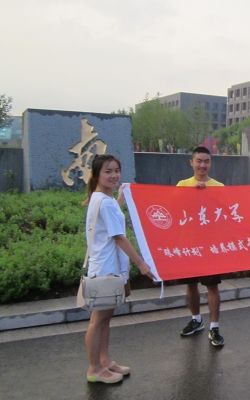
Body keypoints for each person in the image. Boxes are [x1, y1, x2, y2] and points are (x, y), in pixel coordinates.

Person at [84, 154, 154, 384]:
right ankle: (94, 368)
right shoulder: (105, 201)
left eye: (116, 170)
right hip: (106, 269)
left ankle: (105, 361)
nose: (114, 175)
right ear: (97, 175)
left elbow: (110, 221)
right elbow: (119, 237)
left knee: (105, 318)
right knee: (98, 320)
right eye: (108, 171)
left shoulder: (102, 198)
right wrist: (141, 263)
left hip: (107, 268)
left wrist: (120, 201)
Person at [176, 146, 225, 347]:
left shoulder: (219, 187)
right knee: (191, 285)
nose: (202, 165)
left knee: (212, 286)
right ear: (191, 162)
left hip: (210, 246)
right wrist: (191, 194)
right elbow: (175, 210)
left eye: (206, 161)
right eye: (199, 161)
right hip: (189, 245)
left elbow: (225, 214)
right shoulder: (182, 185)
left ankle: (214, 327)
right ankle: (196, 320)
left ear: (210, 163)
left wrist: (208, 195)